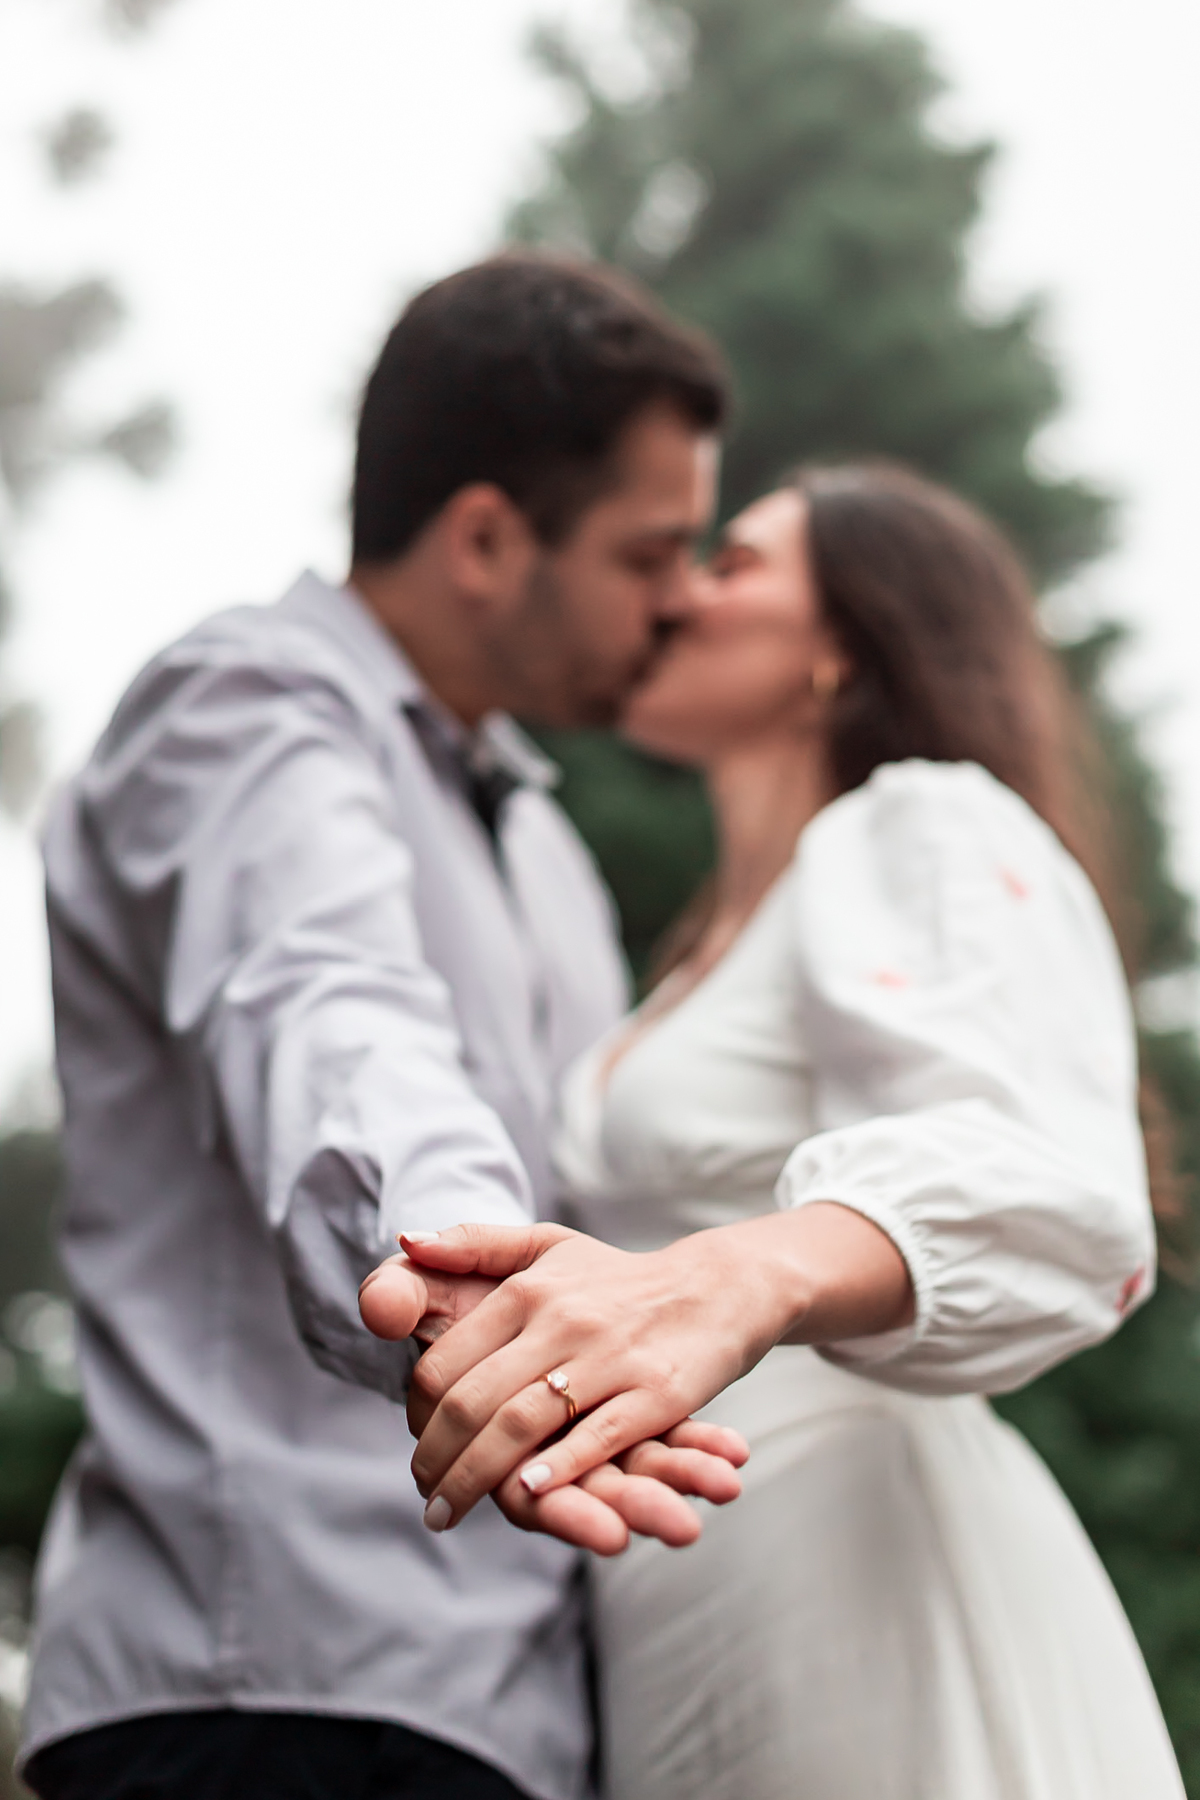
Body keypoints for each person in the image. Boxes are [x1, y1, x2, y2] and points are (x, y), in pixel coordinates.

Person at [19, 254, 749, 1800]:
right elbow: (325, 1005)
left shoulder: (544, 847)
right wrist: (476, 1284)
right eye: (653, 551)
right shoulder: (250, 706)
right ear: (487, 536)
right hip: (267, 1696)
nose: (685, 599)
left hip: (522, 1719)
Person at [370, 465, 1186, 1797]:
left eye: (734, 561)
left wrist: (730, 1282)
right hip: (675, 1589)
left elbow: (1043, 1172)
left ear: (842, 642)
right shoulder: (690, 957)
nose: (677, 592)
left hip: (849, 1538)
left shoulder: (918, 819)